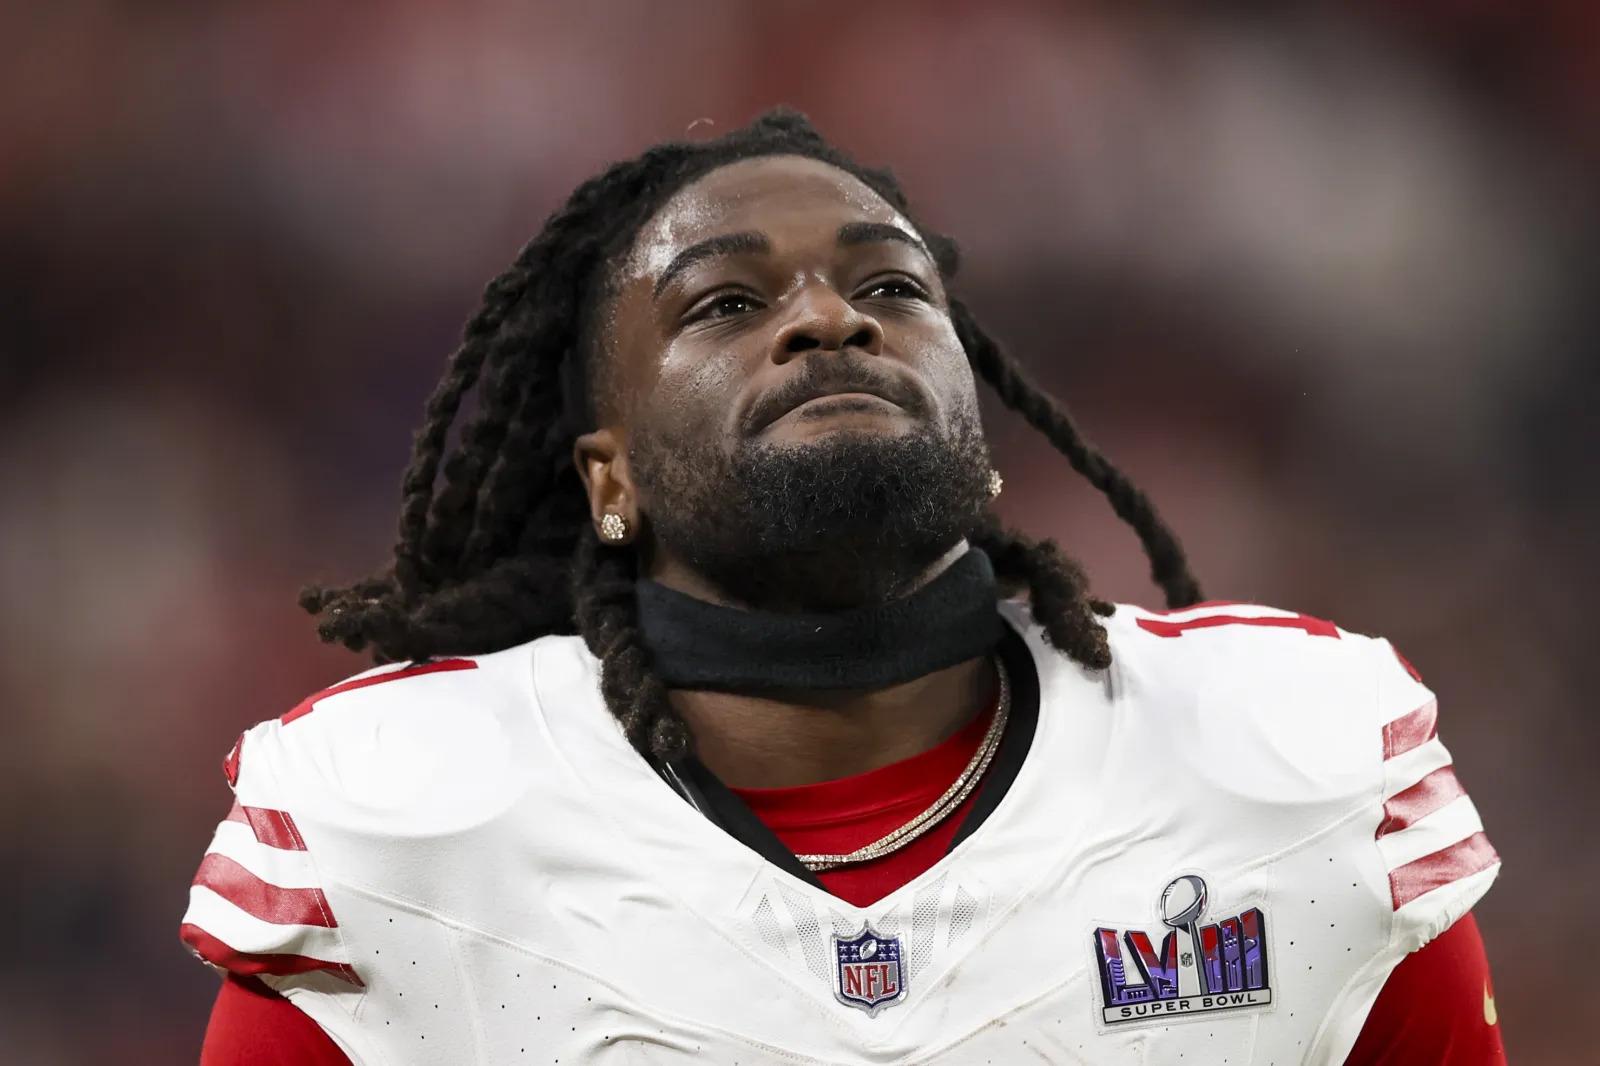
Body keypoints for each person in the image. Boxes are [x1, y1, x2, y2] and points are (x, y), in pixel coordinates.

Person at [180, 110, 1504, 1064]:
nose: (829, 317)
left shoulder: (1287, 773)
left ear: (979, 424)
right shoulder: (408, 837)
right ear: (609, 477)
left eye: (891, 285)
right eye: (723, 304)